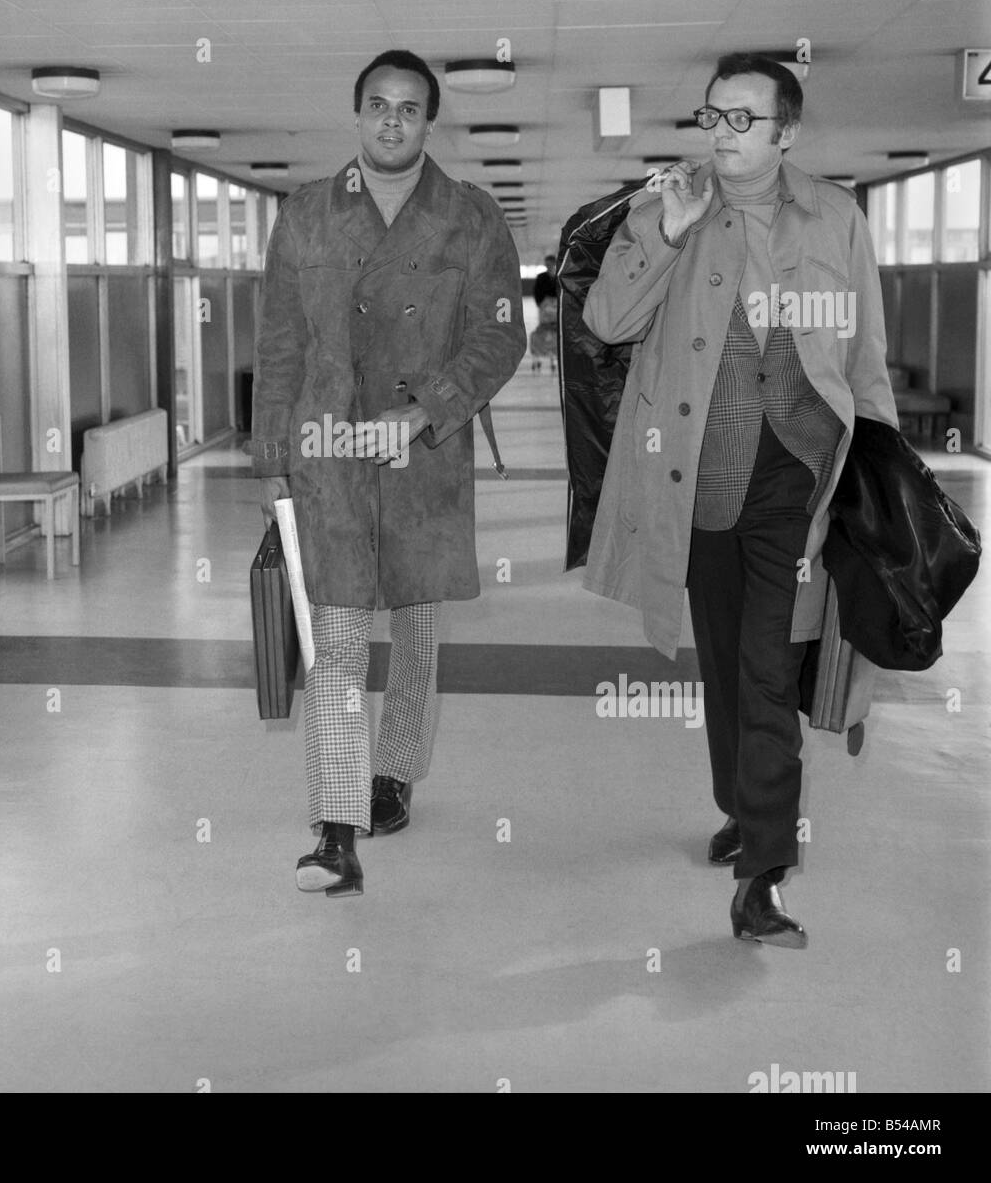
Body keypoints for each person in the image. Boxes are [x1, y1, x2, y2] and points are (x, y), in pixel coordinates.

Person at [582, 53, 897, 946]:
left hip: (798, 478)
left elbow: (864, 356)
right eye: (711, 117)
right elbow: (606, 321)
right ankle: (736, 806)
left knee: (766, 668)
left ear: (787, 131)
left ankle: (764, 872)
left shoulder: (837, 217)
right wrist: (670, 234)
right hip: (698, 480)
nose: (720, 134)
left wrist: (882, 483)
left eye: (741, 119)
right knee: (725, 661)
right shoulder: (667, 207)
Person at [252, 49, 525, 897]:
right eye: (378, 105)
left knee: (412, 635)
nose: (392, 121)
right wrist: (274, 459)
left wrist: (431, 407)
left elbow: (502, 333)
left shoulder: (471, 217)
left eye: (410, 108)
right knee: (332, 645)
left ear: (430, 122)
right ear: (356, 114)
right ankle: (336, 831)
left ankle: (394, 775)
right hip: (328, 453)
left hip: (423, 454)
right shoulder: (304, 216)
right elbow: (279, 344)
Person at [530, 255, 559, 373]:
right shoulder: (541, 277)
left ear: (554, 263)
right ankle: (543, 353)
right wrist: (541, 304)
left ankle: (553, 356)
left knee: (555, 330)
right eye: (546, 264)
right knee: (544, 329)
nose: (548, 266)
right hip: (545, 307)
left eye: (550, 264)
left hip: (557, 307)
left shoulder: (559, 276)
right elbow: (537, 292)